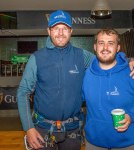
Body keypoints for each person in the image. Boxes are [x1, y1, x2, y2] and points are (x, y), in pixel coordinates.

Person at [17, 10, 134, 150]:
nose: (60, 33)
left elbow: (105, 59)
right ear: (49, 31)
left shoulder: (81, 55)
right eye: (56, 28)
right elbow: (23, 92)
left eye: (65, 28)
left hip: (73, 130)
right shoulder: (36, 58)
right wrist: (29, 128)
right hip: (43, 129)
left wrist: (128, 61)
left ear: (71, 31)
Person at [82, 28, 134, 150]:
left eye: (111, 43)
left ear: (118, 48)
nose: (105, 47)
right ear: (95, 47)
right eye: (101, 43)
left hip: (128, 144)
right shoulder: (86, 75)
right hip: (94, 143)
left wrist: (131, 116)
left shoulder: (131, 72)